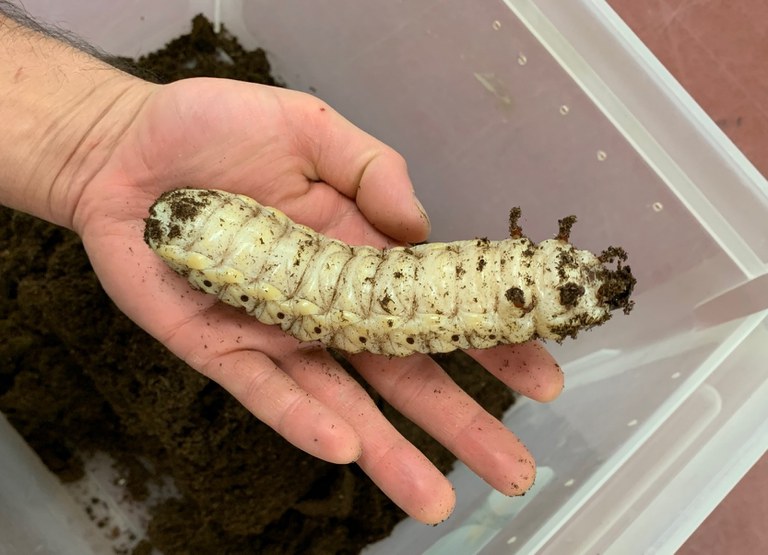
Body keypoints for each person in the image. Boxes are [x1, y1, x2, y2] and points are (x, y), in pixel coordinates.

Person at [0, 4, 564, 524]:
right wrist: (92, 138)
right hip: (237, 245)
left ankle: (549, 287)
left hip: (298, 262)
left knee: (392, 295)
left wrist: (87, 133)